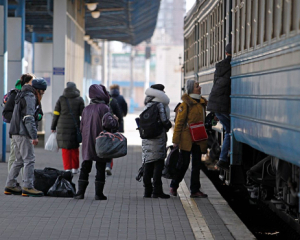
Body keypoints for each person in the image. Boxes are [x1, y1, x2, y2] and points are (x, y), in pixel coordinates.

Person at [74, 84, 118, 200]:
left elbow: (81, 126)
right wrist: (115, 120)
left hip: (87, 141)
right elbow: (109, 124)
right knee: (100, 166)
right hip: (101, 141)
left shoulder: (86, 108)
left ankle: (80, 193)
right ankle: (98, 194)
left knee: (85, 166)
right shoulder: (104, 108)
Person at [4, 77, 46, 197]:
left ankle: (10, 185)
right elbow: (28, 118)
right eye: (42, 91)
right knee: (29, 159)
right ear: (38, 90)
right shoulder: (30, 97)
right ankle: (28, 186)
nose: (42, 94)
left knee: (19, 160)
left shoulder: (21, 94)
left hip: (15, 131)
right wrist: (34, 136)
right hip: (23, 133)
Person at [170, 79, 208, 198]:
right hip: (186, 139)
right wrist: (175, 141)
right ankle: (174, 185)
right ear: (192, 89)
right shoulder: (185, 105)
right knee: (184, 164)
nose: (200, 88)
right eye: (197, 86)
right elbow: (179, 124)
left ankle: (195, 190)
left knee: (196, 166)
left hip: (198, 139)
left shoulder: (201, 104)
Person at [142, 84, 172, 199]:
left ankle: (147, 191)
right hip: (158, 137)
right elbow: (165, 121)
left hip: (147, 138)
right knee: (158, 164)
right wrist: (168, 126)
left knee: (148, 163)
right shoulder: (160, 105)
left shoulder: (147, 104)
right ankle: (157, 191)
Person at [207, 43, 232, 170]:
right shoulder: (233, 65)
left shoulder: (220, 66)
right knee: (230, 130)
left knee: (228, 129)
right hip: (222, 105)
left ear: (226, 53)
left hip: (215, 104)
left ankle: (223, 158)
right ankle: (222, 159)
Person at [51, 82, 84, 174]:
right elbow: (83, 115)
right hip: (75, 126)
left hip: (62, 126)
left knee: (65, 149)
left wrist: (53, 126)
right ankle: (75, 168)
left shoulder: (61, 99)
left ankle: (67, 168)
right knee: (74, 148)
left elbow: (56, 114)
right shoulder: (80, 99)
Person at [2, 74, 33, 173]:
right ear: (26, 82)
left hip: (27, 130)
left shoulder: (31, 95)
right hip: (16, 130)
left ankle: (25, 180)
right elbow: (6, 113)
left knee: (26, 157)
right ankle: (11, 181)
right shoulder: (15, 94)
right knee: (14, 156)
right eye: (32, 81)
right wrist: (18, 119)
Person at [105, 91, 123, 176]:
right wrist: (119, 128)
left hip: (98, 130)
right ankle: (108, 165)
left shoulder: (95, 104)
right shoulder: (113, 101)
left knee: (101, 146)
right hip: (110, 128)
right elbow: (119, 115)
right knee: (109, 147)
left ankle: (102, 166)